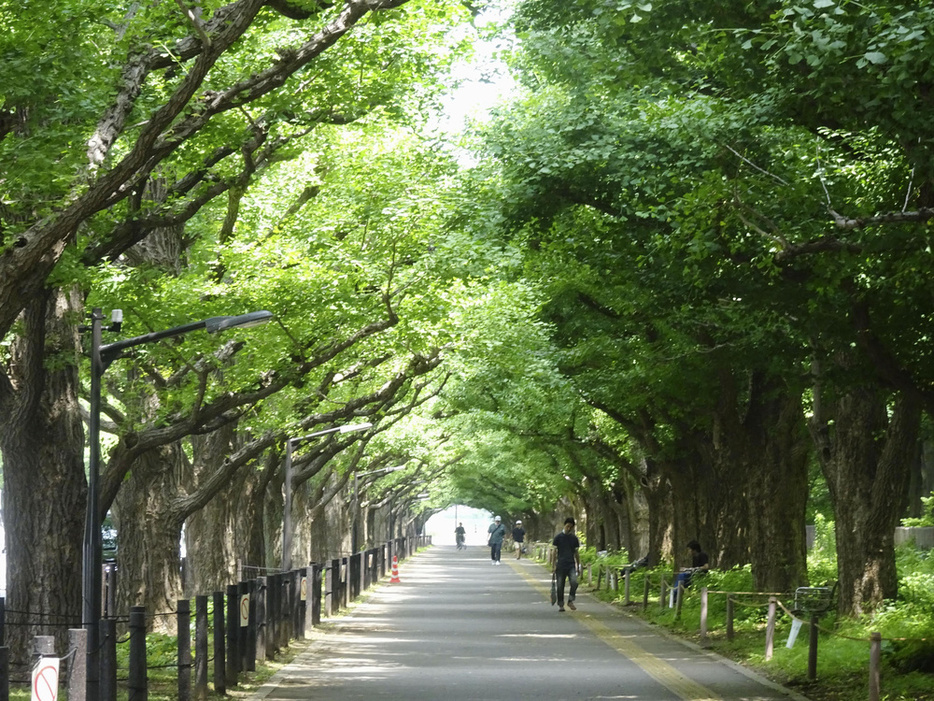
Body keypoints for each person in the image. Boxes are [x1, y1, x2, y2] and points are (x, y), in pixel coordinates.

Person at [552, 517, 580, 612]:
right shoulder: (558, 537)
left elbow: (576, 553)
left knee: (574, 582)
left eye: (570, 527)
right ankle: (561, 604)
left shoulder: (574, 539)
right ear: (564, 525)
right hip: (560, 564)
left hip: (571, 564)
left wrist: (578, 565)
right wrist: (553, 565)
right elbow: (554, 552)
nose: (568, 528)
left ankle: (571, 600)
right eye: (567, 526)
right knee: (560, 585)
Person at [671, 540, 709, 606]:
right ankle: (675, 596)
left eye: (689, 550)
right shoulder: (694, 557)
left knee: (682, 576)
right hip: (694, 574)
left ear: (694, 550)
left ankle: (675, 594)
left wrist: (688, 569)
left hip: (700, 575)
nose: (689, 551)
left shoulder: (702, 555)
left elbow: (706, 567)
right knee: (681, 576)